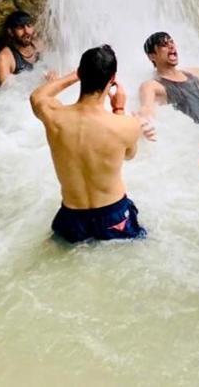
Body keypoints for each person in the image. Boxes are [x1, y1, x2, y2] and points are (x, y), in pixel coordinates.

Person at [30, 45, 154, 244]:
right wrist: (119, 109)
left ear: (80, 73)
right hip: (114, 216)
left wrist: (74, 75)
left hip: (72, 217)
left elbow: (38, 96)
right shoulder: (126, 125)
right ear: (112, 78)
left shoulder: (54, 116)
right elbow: (128, 155)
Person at [138, 31, 199, 128]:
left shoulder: (193, 73)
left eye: (172, 42)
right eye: (164, 45)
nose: (171, 46)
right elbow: (146, 107)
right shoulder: (152, 85)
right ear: (152, 56)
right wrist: (144, 122)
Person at [0, 10, 44, 86]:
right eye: (20, 28)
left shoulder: (39, 45)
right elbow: (6, 92)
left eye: (29, 25)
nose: (27, 31)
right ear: (10, 32)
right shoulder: (4, 57)